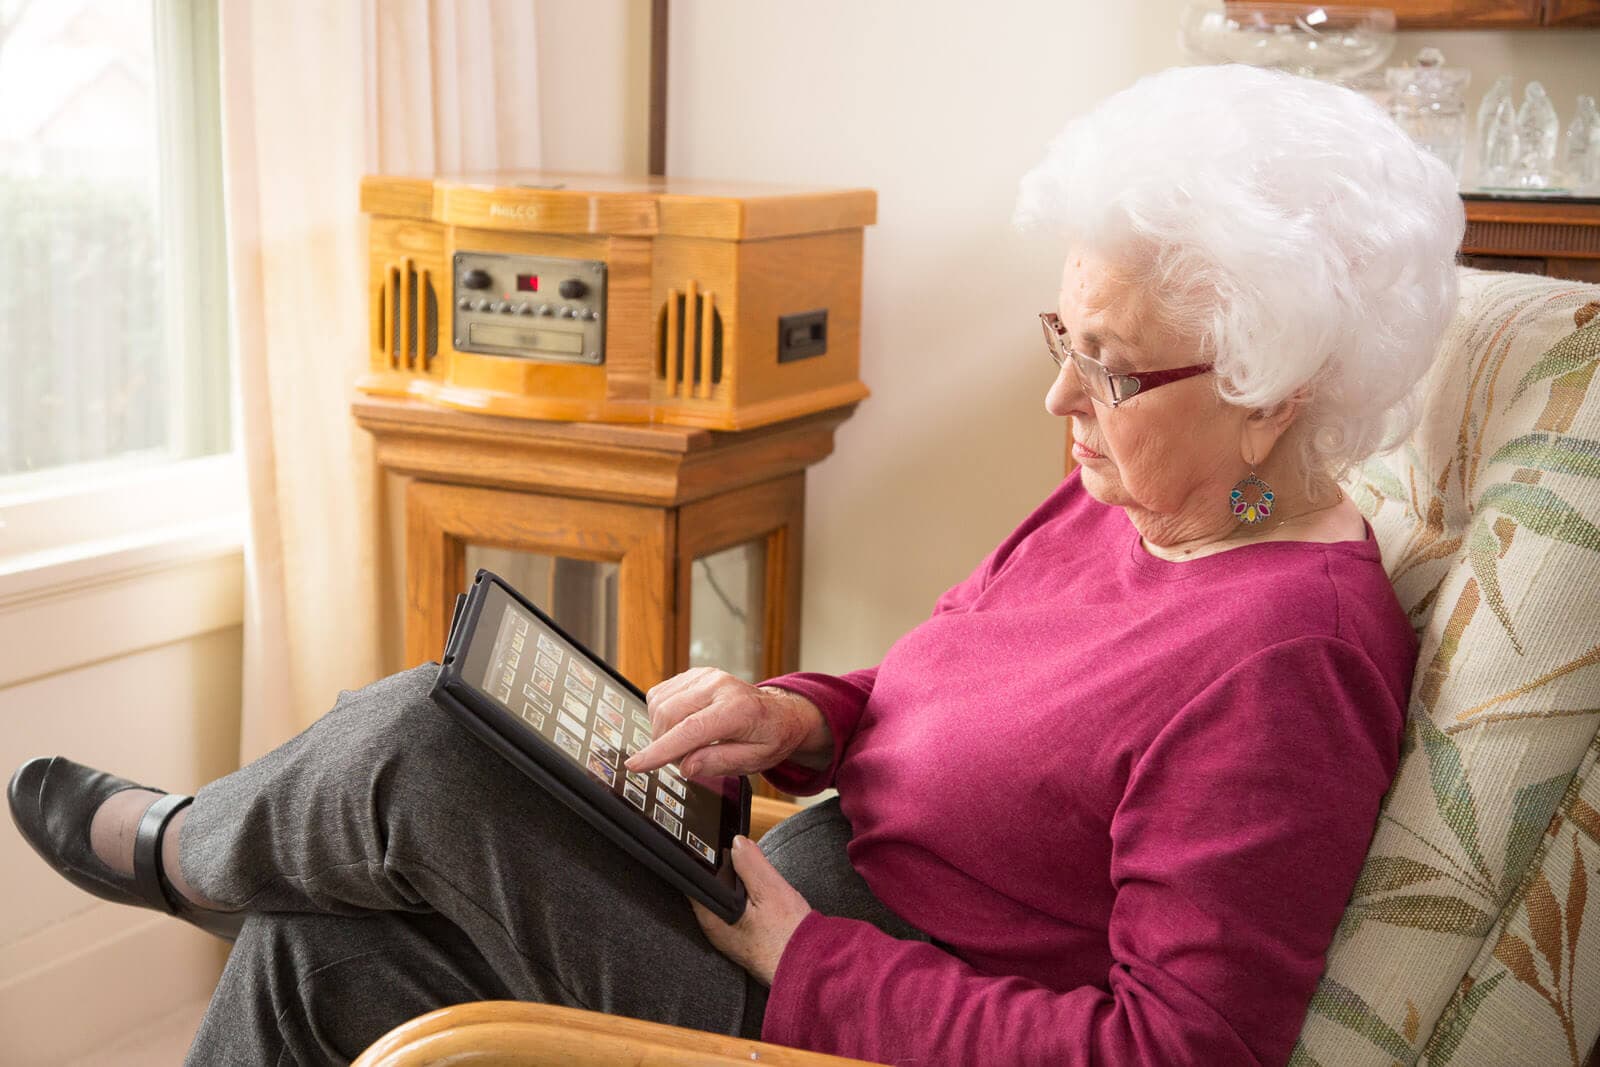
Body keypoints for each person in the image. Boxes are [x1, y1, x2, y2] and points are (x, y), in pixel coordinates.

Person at [7, 64, 1465, 1066]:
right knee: (315, 949)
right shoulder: (1137, 499)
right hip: (775, 896)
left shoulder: (1288, 657)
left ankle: (188, 845)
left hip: (823, 1013)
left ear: (1274, 383)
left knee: (419, 752)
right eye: (1061, 341)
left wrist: (806, 958)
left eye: (1114, 367)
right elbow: (962, 700)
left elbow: (1176, 1053)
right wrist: (802, 714)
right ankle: (231, 868)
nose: (1061, 402)